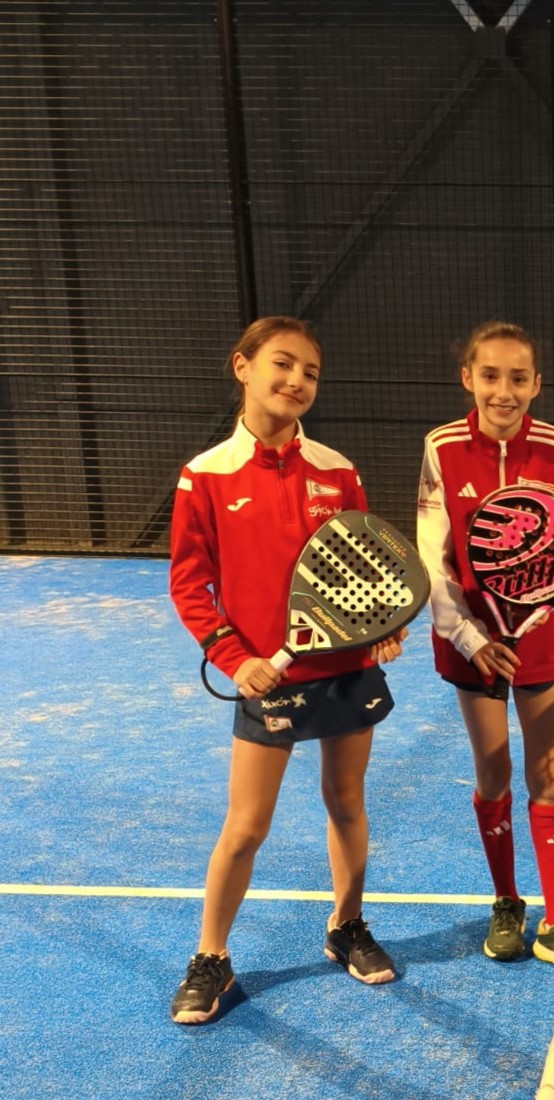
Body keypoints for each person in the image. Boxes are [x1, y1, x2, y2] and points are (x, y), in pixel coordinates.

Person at [167, 316, 406, 1025]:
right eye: (282, 363)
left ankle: (346, 925)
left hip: (347, 671)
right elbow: (189, 583)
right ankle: (211, 955)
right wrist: (235, 659)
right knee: (246, 825)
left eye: (310, 371)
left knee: (346, 801)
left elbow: (367, 565)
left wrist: (384, 628)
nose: (297, 380)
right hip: (267, 680)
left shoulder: (338, 471)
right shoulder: (206, 475)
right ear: (242, 366)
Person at [416, 322, 554, 970]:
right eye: (491, 376)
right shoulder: (442, 447)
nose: (504, 391)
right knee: (493, 773)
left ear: (536, 385)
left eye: (518, 378)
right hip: (469, 641)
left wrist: (547, 597)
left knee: (547, 773)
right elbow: (433, 554)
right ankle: (507, 903)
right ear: (467, 378)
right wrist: (470, 636)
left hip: (540, 639)